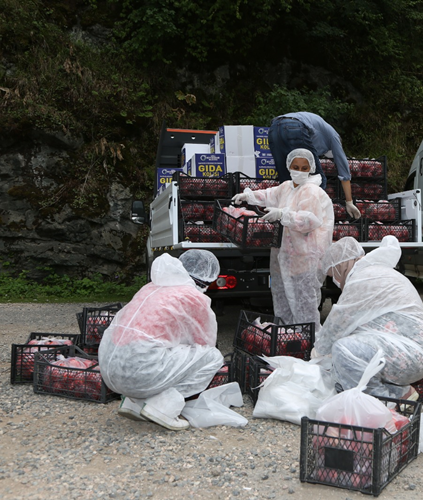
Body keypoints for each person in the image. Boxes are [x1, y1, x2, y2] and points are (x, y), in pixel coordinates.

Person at [98, 250, 224, 431]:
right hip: (142, 370)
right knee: (212, 357)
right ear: (205, 280)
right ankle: (163, 408)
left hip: (110, 367)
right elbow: (205, 342)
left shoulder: (151, 287)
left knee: (166, 349)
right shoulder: (192, 296)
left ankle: (134, 404)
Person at [315, 235, 423, 400]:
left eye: (332, 275)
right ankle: (400, 393)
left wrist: (318, 352)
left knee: (343, 350)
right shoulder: (373, 271)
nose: (335, 281)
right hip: (412, 351)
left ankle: (382, 401)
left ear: (340, 265)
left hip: (410, 355)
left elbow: (338, 323)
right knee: (346, 355)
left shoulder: (363, 278)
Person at [231, 148, 333, 331]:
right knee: (283, 296)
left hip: (305, 256)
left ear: (311, 168)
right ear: (288, 166)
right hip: (284, 253)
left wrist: (283, 214)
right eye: (295, 166)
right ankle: (287, 338)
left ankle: (310, 340)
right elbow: (270, 195)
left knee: (304, 302)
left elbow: (310, 220)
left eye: (304, 167)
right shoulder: (286, 187)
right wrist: (249, 196)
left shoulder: (312, 191)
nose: (299, 171)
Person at [269, 112, 362, 219]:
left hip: (274, 129)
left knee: (287, 180)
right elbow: (343, 170)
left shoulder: (317, 134)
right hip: (294, 127)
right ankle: (309, 219)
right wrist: (349, 201)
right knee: (318, 179)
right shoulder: (334, 137)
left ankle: (284, 218)